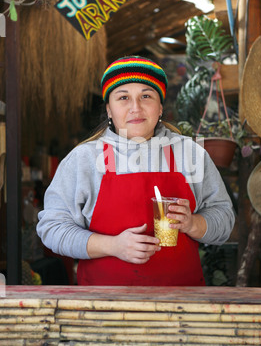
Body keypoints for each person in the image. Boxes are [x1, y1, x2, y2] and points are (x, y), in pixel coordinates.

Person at [36, 56, 235, 286]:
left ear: (160, 107)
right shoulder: (84, 159)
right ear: (109, 109)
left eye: (146, 96)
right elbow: (52, 228)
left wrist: (194, 224)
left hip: (182, 306)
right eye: (123, 97)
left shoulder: (190, 154)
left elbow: (224, 218)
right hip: (103, 309)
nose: (135, 107)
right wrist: (112, 246)